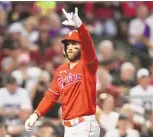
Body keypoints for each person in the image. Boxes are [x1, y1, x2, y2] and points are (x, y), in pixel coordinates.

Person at [25, 7, 100, 137]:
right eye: (68, 45)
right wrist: (36, 114)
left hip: (85, 125)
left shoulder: (88, 65)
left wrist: (80, 26)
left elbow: (88, 46)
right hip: (68, 127)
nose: (70, 48)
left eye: (74, 45)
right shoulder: (61, 70)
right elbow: (51, 95)